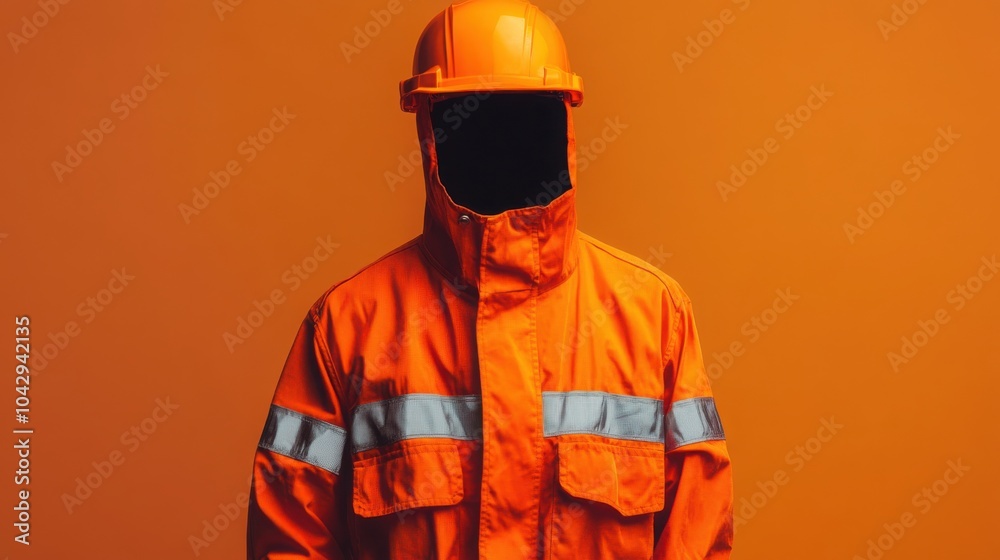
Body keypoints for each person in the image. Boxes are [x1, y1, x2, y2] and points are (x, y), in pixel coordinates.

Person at [246, 0, 734, 558]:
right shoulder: (348, 326)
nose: (500, 142)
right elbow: (289, 538)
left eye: (527, 117)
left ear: (564, 124)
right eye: (469, 118)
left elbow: (698, 532)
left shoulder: (653, 316)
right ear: (429, 131)